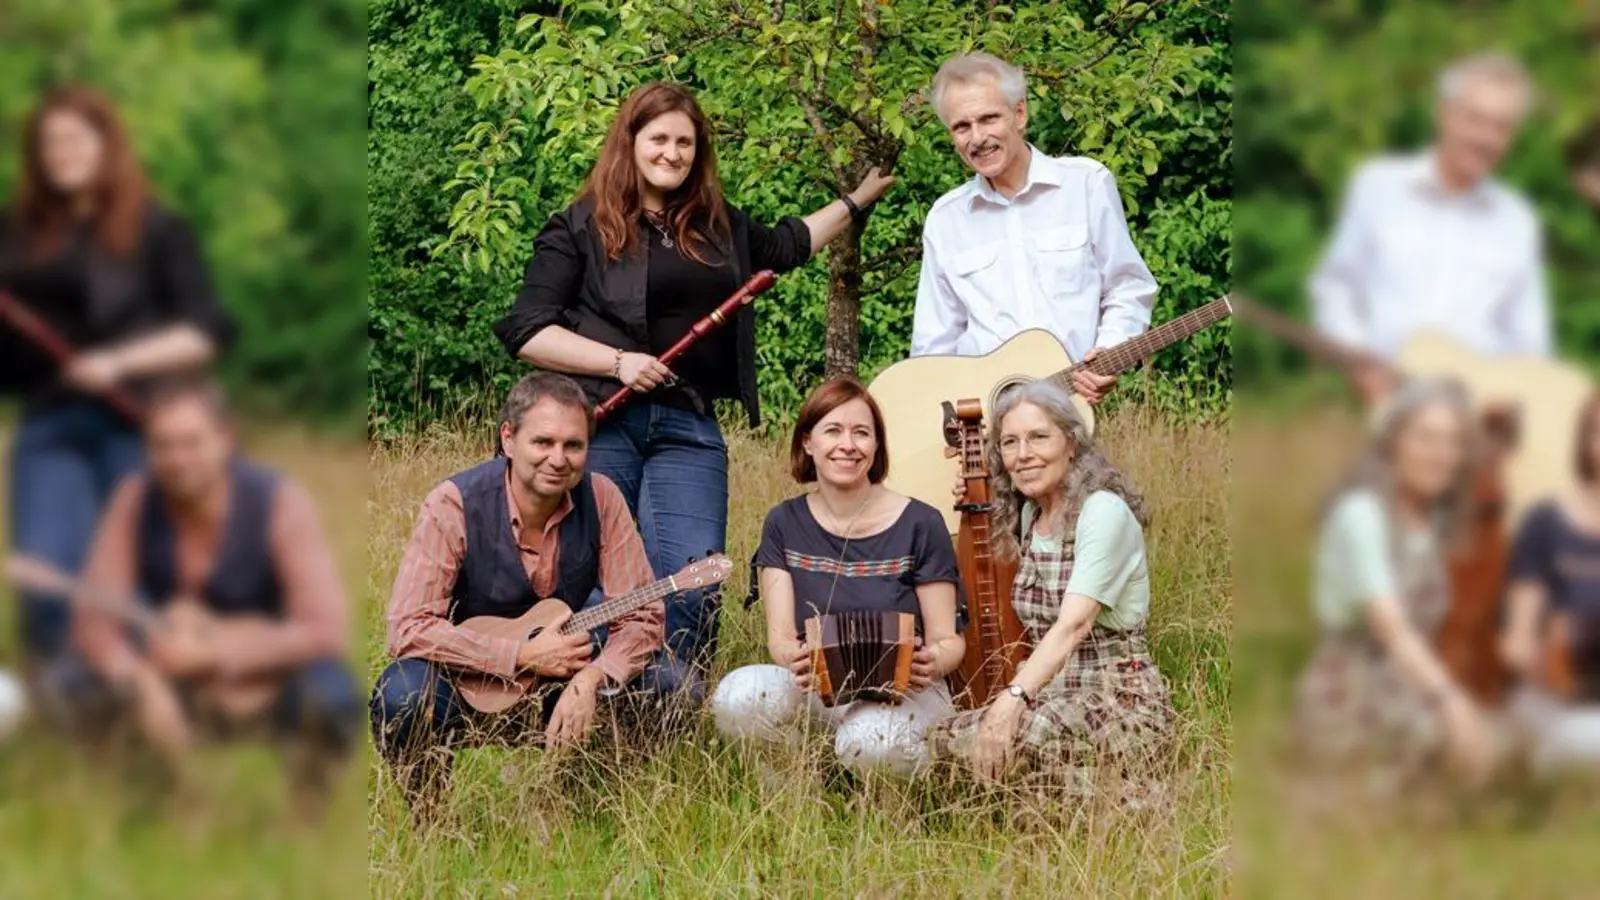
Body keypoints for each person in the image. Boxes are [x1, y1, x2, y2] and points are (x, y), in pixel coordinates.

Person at [493, 82, 895, 699]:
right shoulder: (580, 225)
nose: (673, 152)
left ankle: (668, 707)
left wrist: (859, 199)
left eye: (685, 141)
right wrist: (619, 361)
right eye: (659, 138)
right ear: (630, 143)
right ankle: (582, 703)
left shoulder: (718, 226)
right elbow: (527, 330)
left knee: (694, 579)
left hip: (686, 426)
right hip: (603, 423)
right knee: (595, 577)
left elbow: (789, 245)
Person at [0, 85, 233, 668]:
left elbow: (205, 330)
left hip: (139, 425)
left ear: (107, 144)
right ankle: (69, 703)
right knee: (47, 572)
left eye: (76, 138)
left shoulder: (157, 230)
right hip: (50, 423)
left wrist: (117, 362)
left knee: (135, 575)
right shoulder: (17, 234)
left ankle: (149, 691)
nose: (62, 152)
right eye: (50, 142)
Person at [55, 376, 359, 808]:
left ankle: (305, 814)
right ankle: (151, 806)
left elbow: (326, 630)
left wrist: (217, 654)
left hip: (267, 675)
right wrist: (139, 680)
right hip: (162, 671)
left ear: (225, 440)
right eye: (164, 445)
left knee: (332, 695)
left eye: (191, 443)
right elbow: (94, 617)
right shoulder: (135, 499)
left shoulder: (279, 502)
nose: (178, 460)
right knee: (71, 682)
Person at [370, 372, 665, 812]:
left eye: (573, 446)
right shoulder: (453, 502)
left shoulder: (602, 498)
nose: (558, 459)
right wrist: (521, 657)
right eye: (542, 442)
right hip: (469, 685)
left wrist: (592, 677)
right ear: (508, 439)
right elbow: (407, 629)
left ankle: (589, 808)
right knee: (400, 694)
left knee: (673, 685)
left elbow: (643, 618)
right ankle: (430, 819)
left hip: (566, 683)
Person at [926, 379, 1175, 805]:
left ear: (1072, 443)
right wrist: (972, 496)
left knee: (1027, 730)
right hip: (1054, 697)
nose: (1023, 455)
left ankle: (1121, 803)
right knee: (939, 737)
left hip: (1120, 698)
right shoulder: (1027, 516)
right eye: (1009, 443)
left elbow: (1074, 625)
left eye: (1039, 437)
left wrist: (1011, 701)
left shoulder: (1102, 511)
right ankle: (1044, 812)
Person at [709, 377, 965, 776]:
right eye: (833, 430)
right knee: (737, 695)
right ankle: (796, 797)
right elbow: (779, 637)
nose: (848, 444)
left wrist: (933, 663)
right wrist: (791, 657)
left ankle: (886, 816)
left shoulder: (921, 522)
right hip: (819, 688)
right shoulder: (783, 522)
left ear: (876, 446)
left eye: (862, 433)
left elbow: (949, 641)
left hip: (907, 694)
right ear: (808, 442)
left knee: (868, 743)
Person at [1292, 378, 1502, 805]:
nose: (1442, 455)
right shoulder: (1361, 514)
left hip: (1413, 682)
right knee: (1473, 751)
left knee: (1514, 746)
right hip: (1353, 690)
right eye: (1426, 438)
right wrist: (1452, 706)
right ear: (1393, 443)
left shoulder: (1431, 524)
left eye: (1452, 443)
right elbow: (1390, 626)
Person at [910, 52, 1158, 405]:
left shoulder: (1086, 185)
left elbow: (1128, 286)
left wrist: (1107, 351)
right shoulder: (945, 219)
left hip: (1071, 409)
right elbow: (933, 343)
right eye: (961, 127)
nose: (977, 138)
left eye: (989, 118)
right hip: (982, 421)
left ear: (1020, 114)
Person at [1309, 53, 1548, 405]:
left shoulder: (1517, 220)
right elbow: (1336, 286)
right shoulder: (1377, 187)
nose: (1487, 137)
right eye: (1476, 119)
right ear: (1445, 114)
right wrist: (1358, 359)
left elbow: (1529, 339)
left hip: (1477, 419)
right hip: (1383, 405)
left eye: (1502, 126)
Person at [1498, 390, 1600, 773]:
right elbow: (1515, 643)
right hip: (1557, 702)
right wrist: (1541, 658)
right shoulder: (1544, 522)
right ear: (1587, 444)